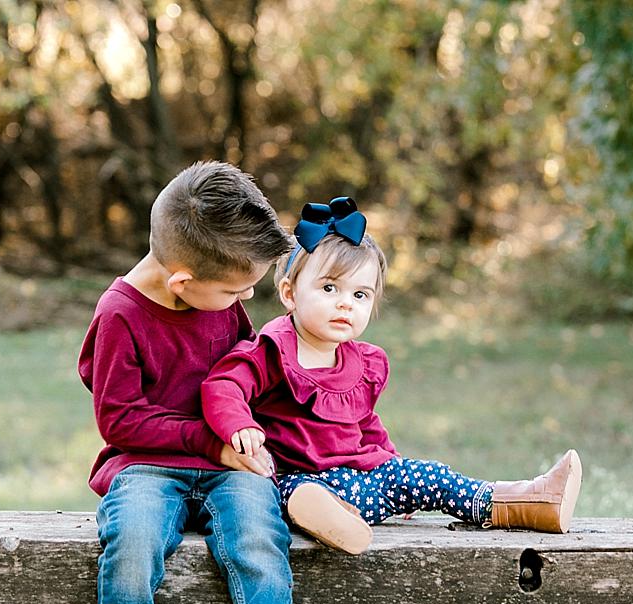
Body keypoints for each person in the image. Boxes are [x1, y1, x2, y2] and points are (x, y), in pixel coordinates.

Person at [76, 160, 301, 604]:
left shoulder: (218, 295)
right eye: (234, 293)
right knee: (133, 547)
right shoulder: (121, 315)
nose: (243, 303)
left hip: (228, 463)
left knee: (259, 528)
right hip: (147, 464)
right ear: (181, 280)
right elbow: (120, 421)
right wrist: (210, 440)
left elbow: (242, 373)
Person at [198, 196, 581, 555]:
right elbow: (223, 386)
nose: (345, 303)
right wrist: (239, 426)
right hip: (298, 478)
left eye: (360, 295)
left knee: (432, 476)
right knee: (293, 494)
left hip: (361, 479)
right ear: (289, 293)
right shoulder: (272, 350)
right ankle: (330, 519)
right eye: (329, 288)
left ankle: (526, 503)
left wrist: (393, 466)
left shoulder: (361, 363)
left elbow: (366, 424)